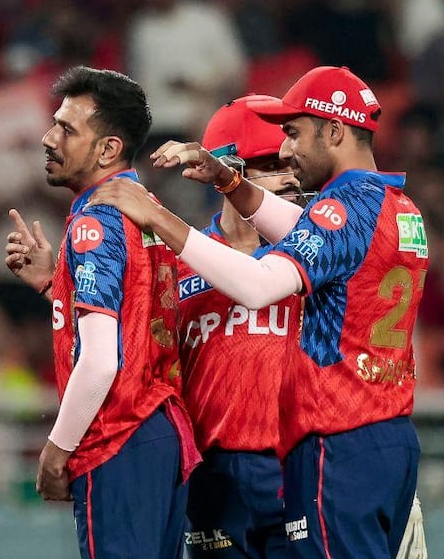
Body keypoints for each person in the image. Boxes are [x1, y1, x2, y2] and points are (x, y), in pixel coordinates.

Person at [89, 66, 427, 559]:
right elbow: (304, 227)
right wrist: (228, 180)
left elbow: (258, 285)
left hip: (338, 437)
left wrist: (158, 216)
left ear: (334, 131)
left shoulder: (340, 209)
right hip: (386, 435)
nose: (287, 153)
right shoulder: (397, 205)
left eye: (294, 134)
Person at [4, 66, 199, 558]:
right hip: (161, 432)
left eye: (67, 130)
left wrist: (57, 448)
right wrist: (55, 284)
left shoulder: (96, 220)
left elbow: (101, 361)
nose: (48, 139)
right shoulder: (145, 209)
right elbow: (134, 321)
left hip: (119, 433)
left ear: (108, 149)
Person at [178, 95, 300, 559]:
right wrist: (53, 286)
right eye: (269, 164)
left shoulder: (318, 252)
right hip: (213, 479)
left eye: (289, 161)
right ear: (224, 170)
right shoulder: (181, 259)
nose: (289, 176)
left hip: (297, 466)